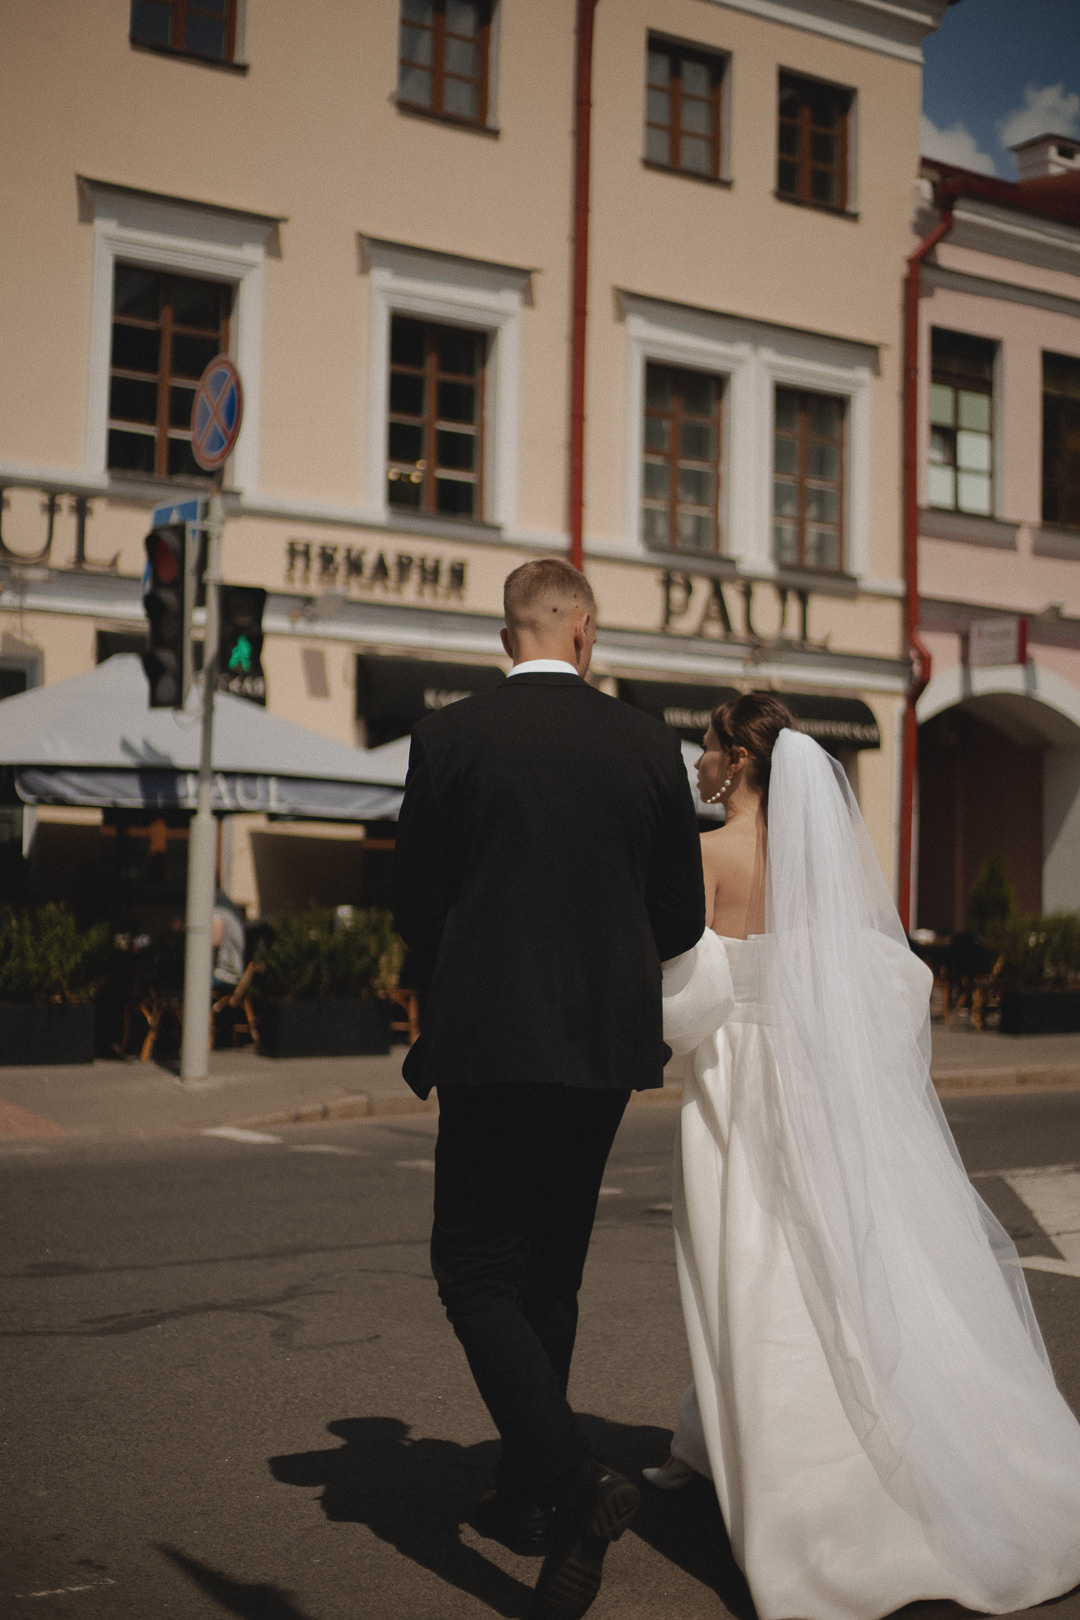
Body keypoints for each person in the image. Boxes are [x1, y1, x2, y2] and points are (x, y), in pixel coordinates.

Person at [648, 692, 1080, 1619]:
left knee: (752, 1269)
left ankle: (803, 1496)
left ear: (740, 763)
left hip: (738, 1089)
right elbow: (886, 981)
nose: (697, 762)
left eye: (708, 748)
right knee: (845, 1263)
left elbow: (681, 1008)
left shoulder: (705, 855)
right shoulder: (828, 858)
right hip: (822, 1080)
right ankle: (732, 1439)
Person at [391, 557, 705, 1620]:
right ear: (584, 634)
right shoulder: (647, 741)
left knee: (473, 1269)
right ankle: (528, 1500)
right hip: (604, 1044)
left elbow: (416, 904)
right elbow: (683, 916)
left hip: (489, 1036)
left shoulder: (449, 738)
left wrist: (477, 962)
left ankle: (572, 1484)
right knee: (551, 1269)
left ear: (508, 638)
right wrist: (606, 959)